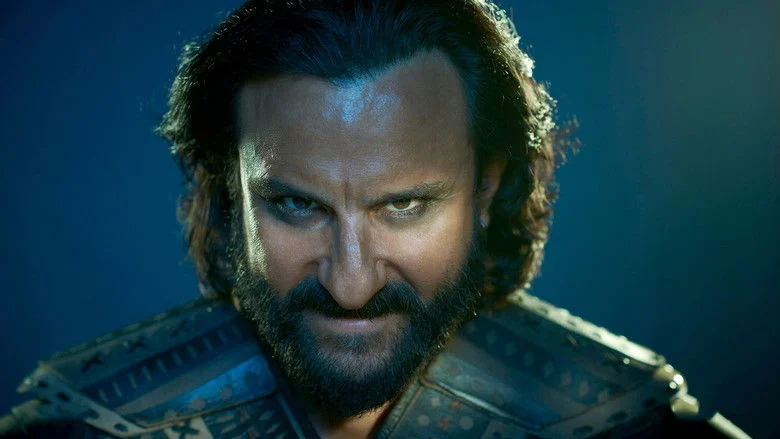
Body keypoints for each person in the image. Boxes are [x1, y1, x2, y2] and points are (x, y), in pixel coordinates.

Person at [0, 1, 751, 438]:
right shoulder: (81, 426)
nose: (351, 283)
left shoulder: (630, 427)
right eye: (297, 205)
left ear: (488, 190)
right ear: (227, 194)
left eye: (404, 206)